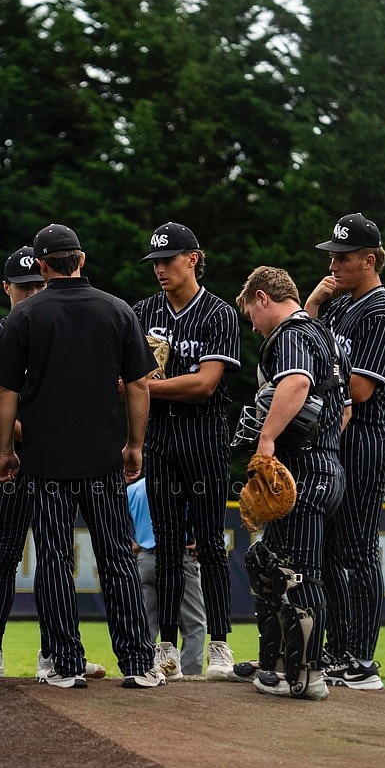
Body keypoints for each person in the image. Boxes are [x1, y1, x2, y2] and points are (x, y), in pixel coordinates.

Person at [0, 223, 165, 689]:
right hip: (104, 459)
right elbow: (140, 385)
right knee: (118, 560)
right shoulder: (118, 310)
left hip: (46, 462)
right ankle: (139, 663)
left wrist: (6, 451)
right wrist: (135, 444)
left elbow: (5, 391)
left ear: (41, 266)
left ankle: (65, 664)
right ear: (81, 260)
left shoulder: (23, 318)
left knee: (54, 560)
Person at [0, 245, 105, 679]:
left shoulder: (57, 325)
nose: (31, 293)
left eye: (37, 285)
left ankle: (54, 652)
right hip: (19, 460)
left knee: (55, 557)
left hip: (56, 461)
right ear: (5, 287)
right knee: (5, 553)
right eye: (23, 286)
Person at [132, 222, 240, 682]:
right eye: (155, 261)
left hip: (205, 435)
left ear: (192, 258)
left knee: (211, 543)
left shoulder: (218, 313)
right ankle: (167, 649)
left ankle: (220, 644)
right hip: (159, 438)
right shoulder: (142, 312)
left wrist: (145, 388)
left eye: (168, 259)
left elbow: (204, 384)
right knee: (168, 545)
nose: (160, 268)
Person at [235, 266, 349, 700]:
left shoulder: (291, 336)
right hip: (325, 464)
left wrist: (267, 439)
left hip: (304, 470)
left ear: (263, 298)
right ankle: (275, 663)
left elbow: (297, 382)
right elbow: (343, 410)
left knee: (298, 574)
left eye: (250, 313)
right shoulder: (324, 335)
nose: (252, 324)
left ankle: (306, 677)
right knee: (264, 560)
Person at [305, 213, 385, 689]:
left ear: (370, 259)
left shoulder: (381, 312)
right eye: (331, 256)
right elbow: (307, 351)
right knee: (331, 551)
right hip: (338, 435)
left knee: (359, 550)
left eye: (343, 257)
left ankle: (361, 660)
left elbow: (360, 389)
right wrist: (314, 304)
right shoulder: (343, 306)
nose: (334, 264)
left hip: (365, 437)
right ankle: (339, 650)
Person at [127, 478, 206, 675]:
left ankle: (143, 669)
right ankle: (189, 677)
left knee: (147, 621)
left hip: (146, 557)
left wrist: (129, 542)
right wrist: (200, 540)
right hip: (179, 556)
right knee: (193, 623)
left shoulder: (134, 489)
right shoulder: (182, 483)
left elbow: (112, 517)